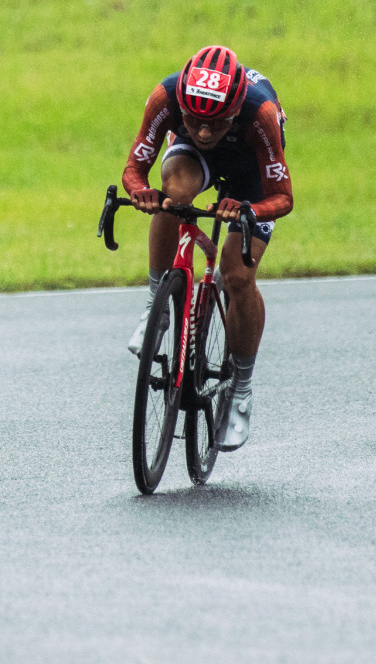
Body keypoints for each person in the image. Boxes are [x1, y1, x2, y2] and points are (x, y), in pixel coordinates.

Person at [121, 45, 293, 451]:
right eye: (193, 121)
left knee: (237, 274)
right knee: (173, 195)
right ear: (181, 106)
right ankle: (156, 309)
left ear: (235, 113)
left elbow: (283, 197)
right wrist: (141, 192)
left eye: (215, 124)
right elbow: (134, 169)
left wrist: (249, 207)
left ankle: (242, 390)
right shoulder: (166, 97)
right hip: (196, 163)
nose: (203, 132)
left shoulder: (261, 114)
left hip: (252, 173)